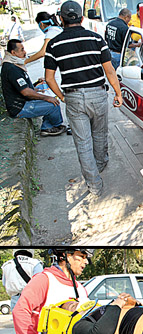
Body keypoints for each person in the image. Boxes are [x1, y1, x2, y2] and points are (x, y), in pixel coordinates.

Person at [44, 0, 123, 197]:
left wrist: (62, 96)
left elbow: (49, 78)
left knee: (83, 143)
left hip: (73, 97)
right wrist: (118, 93)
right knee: (100, 134)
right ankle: (101, 164)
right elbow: (110, 71)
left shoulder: (54, 44)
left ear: (61, 19)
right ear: (82, 17)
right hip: (97, 94)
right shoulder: (96, 39)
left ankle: (94, 185)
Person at [1, 39, 67, 136]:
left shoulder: (13, 65)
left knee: (52, 99)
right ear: (13, 52)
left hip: (24, 102)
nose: (25, 52)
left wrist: (37, 85)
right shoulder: (11, 68)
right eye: (22, 50)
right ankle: (51, 127)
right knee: (54, 104)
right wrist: (46, 97)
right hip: (20, 107)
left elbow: (22, 87)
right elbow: (26, 92)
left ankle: (48, 126)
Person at [1, 249, 43, 334]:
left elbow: (4, 283)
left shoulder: (7, 265)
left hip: (15, 300)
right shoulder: (35, 263)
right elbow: (41, 282)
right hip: (32, 300)